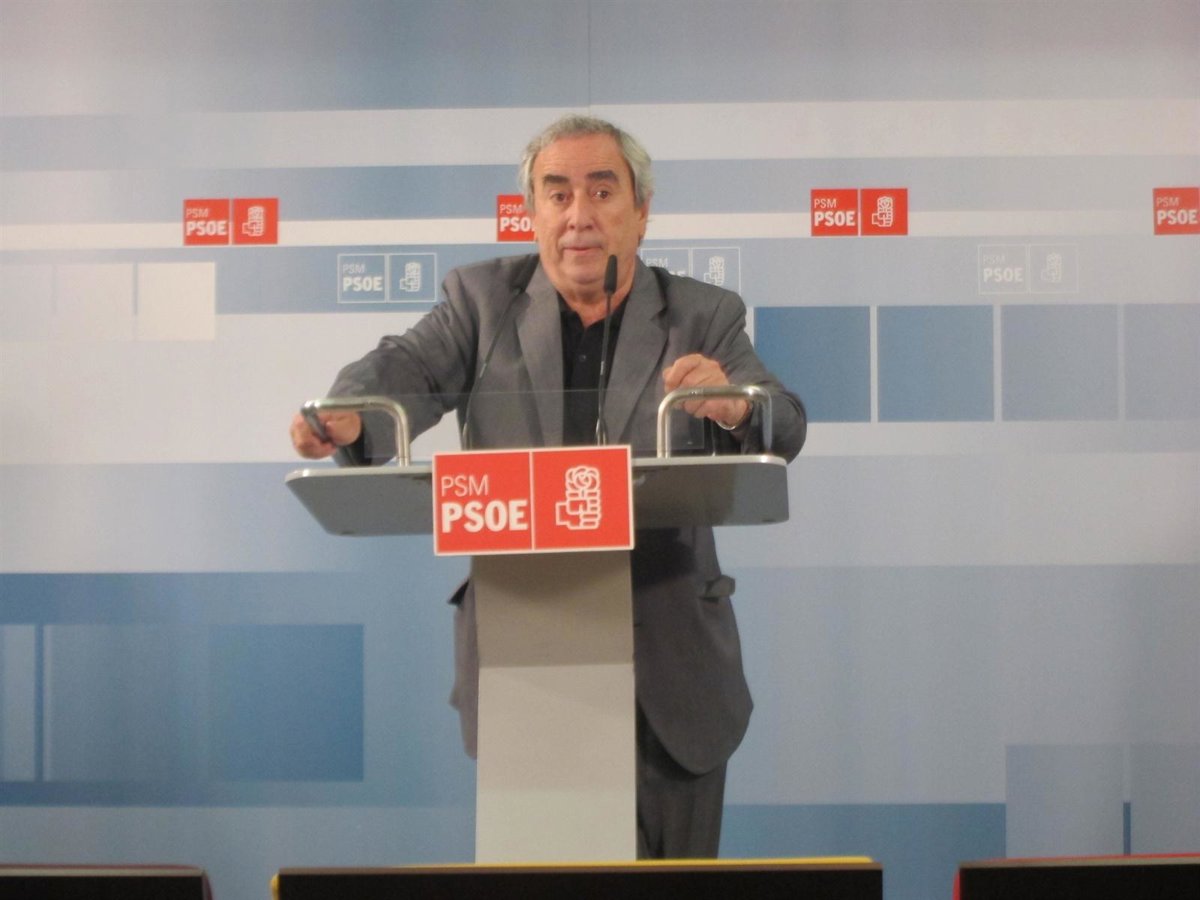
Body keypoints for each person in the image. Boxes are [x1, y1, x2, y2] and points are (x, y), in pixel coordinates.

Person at [290, 114, 806, 858]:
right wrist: (347, 414)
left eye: (602, 191)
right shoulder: (479, 303)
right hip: (524, 656)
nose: (578, 216)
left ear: (641, 210)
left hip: (670, 668)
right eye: (557, 194)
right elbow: (404, 369)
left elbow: (783, 421)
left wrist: (735, 407)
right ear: (531, 212)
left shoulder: (702, 315)